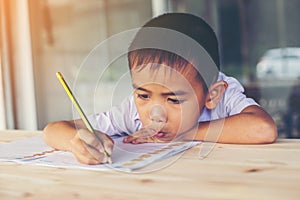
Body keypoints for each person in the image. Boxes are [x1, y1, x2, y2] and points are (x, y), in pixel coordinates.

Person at [43, 13, 277, 165]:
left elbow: (262, 129)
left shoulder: (224, 95)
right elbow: (51, 131)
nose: (156, 114)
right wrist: (77, 140)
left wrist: (184, 133)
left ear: (211, 95)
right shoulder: (132, 111)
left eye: (173, 100)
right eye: (143, 95)